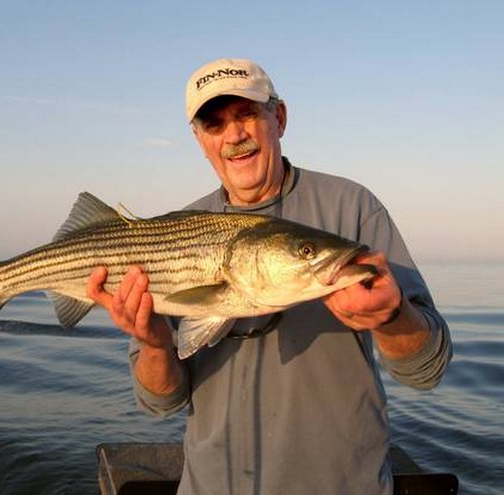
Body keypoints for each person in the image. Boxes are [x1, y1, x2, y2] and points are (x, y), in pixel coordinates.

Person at [87, 58, 452, 494]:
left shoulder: (352, 209)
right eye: (214, 124)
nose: (234, 136)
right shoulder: (174, 232)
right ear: (200, 140)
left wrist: (392, 318)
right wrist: (154, 343)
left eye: (247, 114)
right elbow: (160, 401)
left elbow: (426, 370)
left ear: (278, 118)